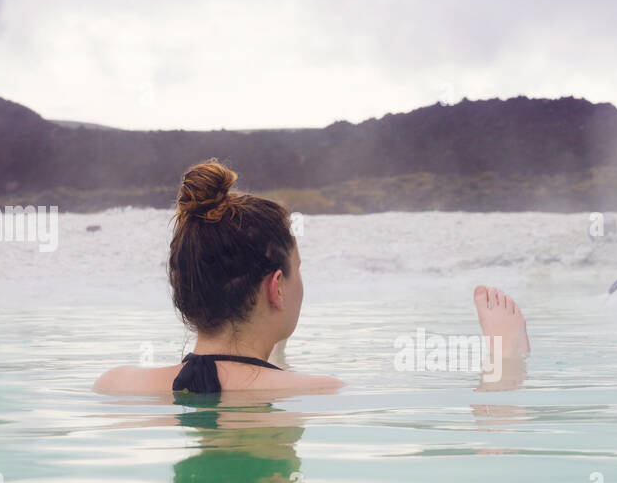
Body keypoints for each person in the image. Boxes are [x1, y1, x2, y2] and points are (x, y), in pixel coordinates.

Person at [94, 159, 529, 396]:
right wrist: (505, 359)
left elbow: (235, 378)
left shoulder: (116, 384)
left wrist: (270, 343)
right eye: (297, 272)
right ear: (276, 288)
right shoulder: (318, 393)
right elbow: (487, 446)